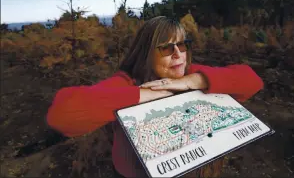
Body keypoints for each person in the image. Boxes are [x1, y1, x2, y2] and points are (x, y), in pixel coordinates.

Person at [46, 16, 264, 178]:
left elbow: (252, 81)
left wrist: (191, 81)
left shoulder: (189, 72)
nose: (178, 54)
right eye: (166, 48)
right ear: (146, 52)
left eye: (182, 45)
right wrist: (147, 93)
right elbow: (62, 114)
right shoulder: (127, 81)